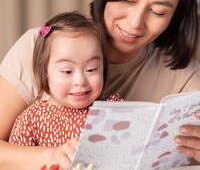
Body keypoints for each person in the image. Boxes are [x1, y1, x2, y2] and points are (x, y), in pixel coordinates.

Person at [0, 0, 199, 169]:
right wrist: (51, 155)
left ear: (175, 15)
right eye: (128, 0)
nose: (135, 22)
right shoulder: (43, 46)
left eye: (157, 11)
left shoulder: (184, 76)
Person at [8, 11, 121, 169]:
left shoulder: (113, 107)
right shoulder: (31, 119)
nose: (80, 81)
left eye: (91, 69)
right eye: (67, 71)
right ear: (45, 72)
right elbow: (15, 165)